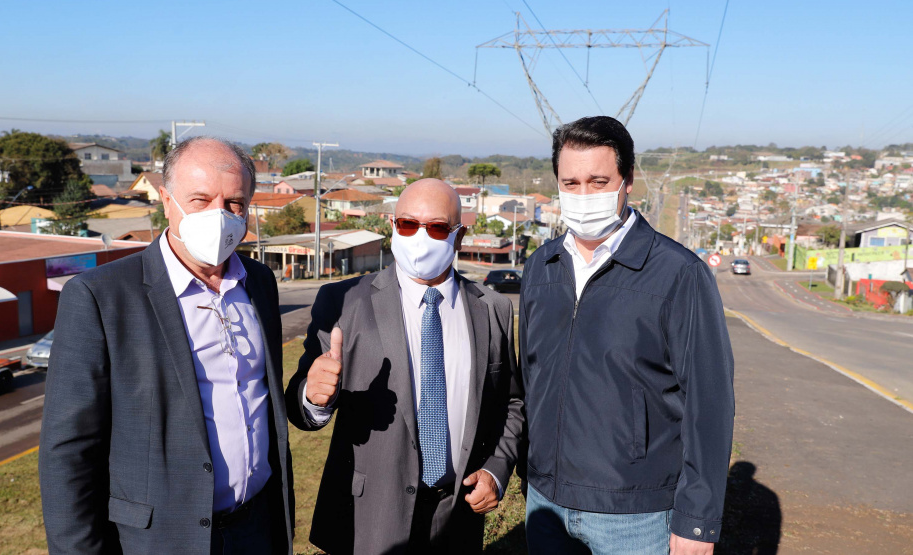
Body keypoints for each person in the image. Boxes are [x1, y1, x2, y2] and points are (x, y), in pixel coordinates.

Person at [40, 137, 294, 554]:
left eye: (234, 203)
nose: (219, 216)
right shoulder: (100, 296)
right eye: (200, 199)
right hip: (159, 539)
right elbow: (68, 452)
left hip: (256, 527)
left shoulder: (259, 283)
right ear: (165, 199)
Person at [519, 116, 735, 555]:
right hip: (545, 504)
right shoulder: (540, 268)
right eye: (571, 183)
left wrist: (697, 521)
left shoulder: (678, 274)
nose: (583, 196)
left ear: (628, 181)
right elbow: (531, 378)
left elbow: (708, 403)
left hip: (636, 515)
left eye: (599, 181)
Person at [285, 179, 524, 555]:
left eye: (438, 227)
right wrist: (313, 399)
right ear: (393, 227)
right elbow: (301, 405)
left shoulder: (492, 308)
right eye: (409, 224)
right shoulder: (343, 301)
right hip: (367, 518)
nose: (421, 237)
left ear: (459, 236)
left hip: (456, 516)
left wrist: (496, 470)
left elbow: (512, 404)